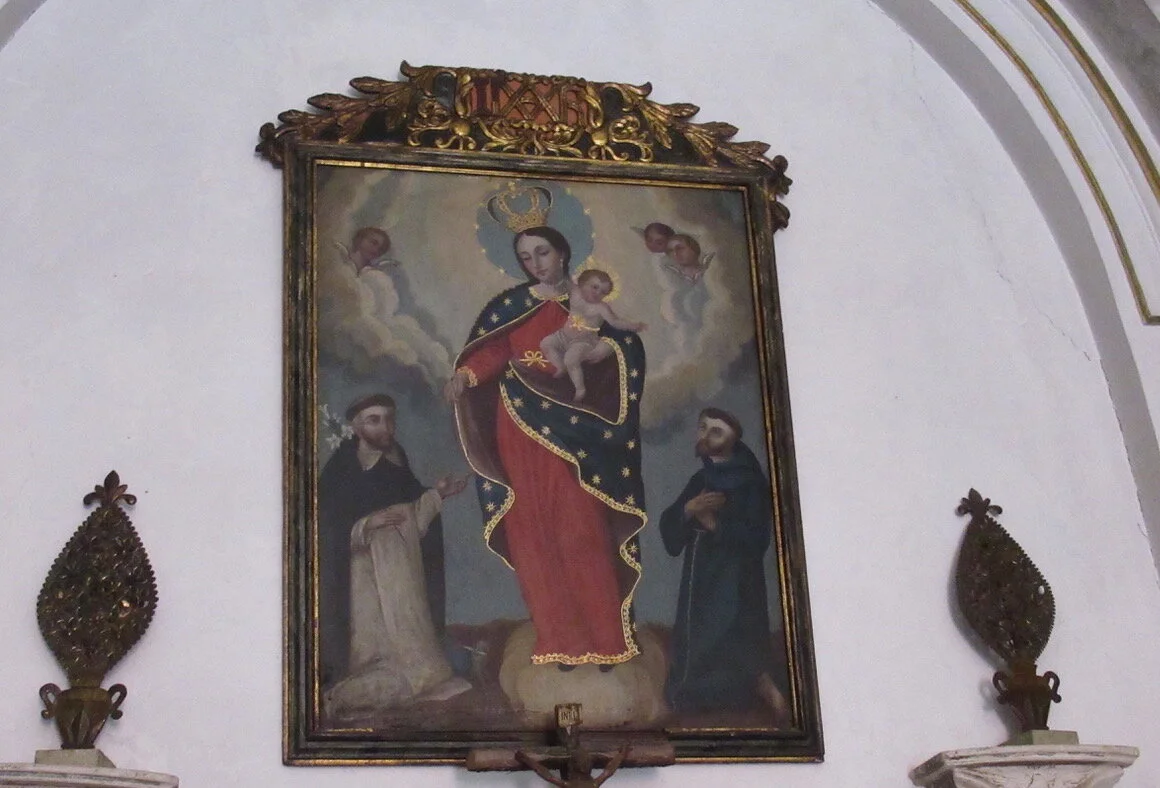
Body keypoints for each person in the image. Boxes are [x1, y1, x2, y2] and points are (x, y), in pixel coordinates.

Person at [444, 226, 647, 669]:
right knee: (532, 533)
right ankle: (561, 641)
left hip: (574, 434)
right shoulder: (510, 306)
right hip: (517, 425)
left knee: (581, 530)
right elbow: (493, 350)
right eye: (526, 257)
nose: (535, 263)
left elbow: (623, 347)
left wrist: (604, 353)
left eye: (542, 252)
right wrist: (466, 375)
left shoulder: (587, 298)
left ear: (563, 252)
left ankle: (607, 640)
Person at [316, 394, 464, 704]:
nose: (386, 427)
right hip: (365, 578)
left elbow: (413, 513)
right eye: (375, 420)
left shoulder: (397, 460)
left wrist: (438, 494)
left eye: (389, 419)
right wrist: (367, 524)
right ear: (356, 426)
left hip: (401, 572)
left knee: (424, 665)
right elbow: (326, 529)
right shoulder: (341, 469)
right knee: (377, 654)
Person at [660, 407, 786, 716]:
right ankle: (696, 699)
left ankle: (754, 693)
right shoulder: (701, 479)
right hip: (701, 579)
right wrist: (688, 510)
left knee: (734, 639)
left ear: (733, 440)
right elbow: (670, 527)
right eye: (703, 427)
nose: (705, 435)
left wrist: (715, 524)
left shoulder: (749, 482)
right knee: (699, 641)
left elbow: (758, 537)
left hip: (736, 579)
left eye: (716, 431)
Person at [540, 269, 647, 401]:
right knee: (546, 343)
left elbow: (615, 322)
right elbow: (563, 278)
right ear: (582, 283)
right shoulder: (575, 292)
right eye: (595, 287)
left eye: (603, 292)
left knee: (571, 359)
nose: (597, 293)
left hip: (584, 341)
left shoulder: (601, 308)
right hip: (563, 336)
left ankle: (580, 389)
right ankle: (560, 367)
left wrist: (633, 326)